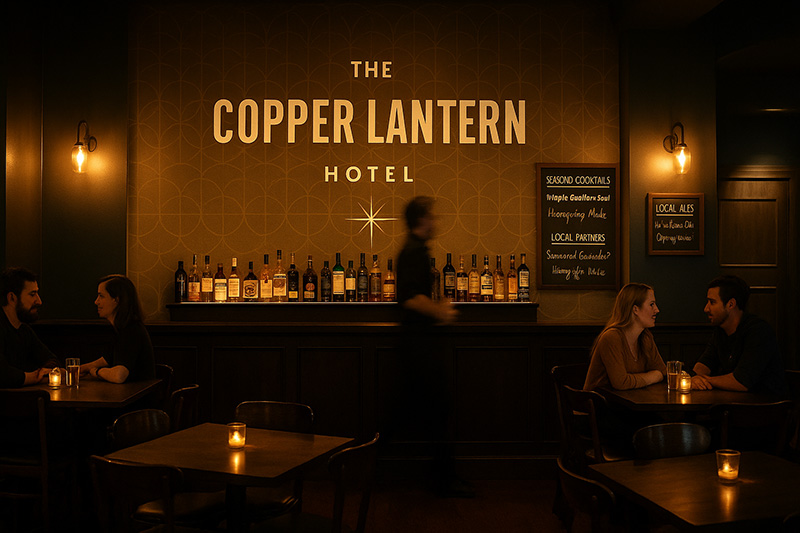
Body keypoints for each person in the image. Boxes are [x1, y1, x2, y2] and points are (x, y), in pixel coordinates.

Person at [394, 196, 466, 497]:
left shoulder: (417, 250)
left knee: (427, 412)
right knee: (437, 410)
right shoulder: (412, 251)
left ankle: (442, 479)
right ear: (421, 219)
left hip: (419, 345)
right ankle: (443, 481)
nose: (436, 221)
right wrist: (439, 311)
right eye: (432, 216)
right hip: (418, 345)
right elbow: (410, 297)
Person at [692, 275, 788, 397]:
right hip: (732, 405)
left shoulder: (758, 331)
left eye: (712, 302)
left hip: (765, 408)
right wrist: (694, 378)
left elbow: (742, 382)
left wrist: (705, 380)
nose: (706, 308)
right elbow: (704, 364)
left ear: (731, 304)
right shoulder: (720, 330)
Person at [584, 283, 666, 391]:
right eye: (651, 304)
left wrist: (658, 374)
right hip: (599, 404)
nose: (657, 310)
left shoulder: (645, 337)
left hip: (628, 403)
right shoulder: (611, 337)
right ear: (635, 309)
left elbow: (663, 372)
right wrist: (655, 376)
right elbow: (621, 383)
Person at [81, 274, 155, 383]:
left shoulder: (131, 330)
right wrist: (78, 370)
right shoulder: (121, 329)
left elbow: (119, 376)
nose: (96, 302)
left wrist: (96, 371)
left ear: (116, 300)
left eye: (101, 296)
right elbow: (106, 360)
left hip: (139, 398)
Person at [0, 267, 58, 387]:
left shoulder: (24, 330)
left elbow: (51, 359)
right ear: (12, 298)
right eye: (33, 294)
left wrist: (45, 371)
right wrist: (32, 377)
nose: (39, 301)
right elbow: (2, 374)